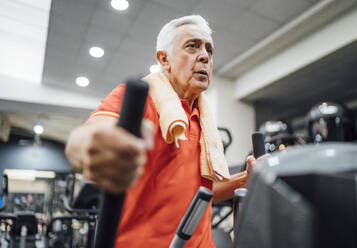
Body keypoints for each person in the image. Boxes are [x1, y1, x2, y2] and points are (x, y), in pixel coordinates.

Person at [65, 15, 256, 248]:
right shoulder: (142, 99)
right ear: (164, 59)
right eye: (192, 46)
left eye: (209, 50)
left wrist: (246, 180)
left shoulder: (202, 118)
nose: (205, 56)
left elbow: (201, 193)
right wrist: (96, 145)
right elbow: (89, 134)